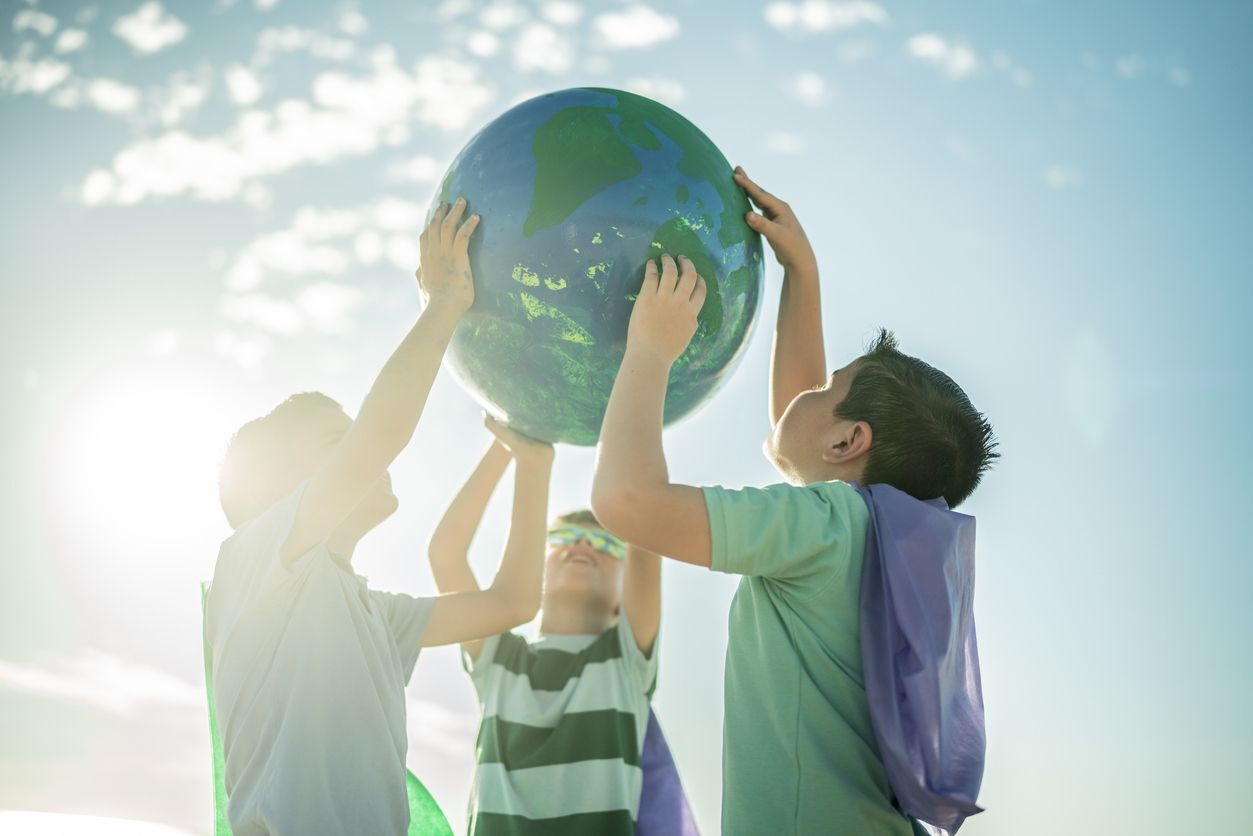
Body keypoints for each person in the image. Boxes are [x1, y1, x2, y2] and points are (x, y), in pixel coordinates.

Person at [591, 167, 997, 835]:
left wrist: (649, 349)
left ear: (848, 441)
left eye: (831, 383)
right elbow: (798, 429)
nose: (810, 389)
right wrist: (799, 273)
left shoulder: (830, 525)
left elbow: (626, 499)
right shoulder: (873, 537)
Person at [205, 199, 547, 836]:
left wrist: (531, 461)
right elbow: (380, 438)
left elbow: (513, 601)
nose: (361, 447)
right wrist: (443, 304)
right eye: (339, 441)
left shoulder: (377, 616)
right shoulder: (252, 563)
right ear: (277, 492)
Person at [428, 436, 682, 835]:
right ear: (537, 566)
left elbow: (640, 505)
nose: (582, 543)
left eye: (604, 542)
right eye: (563, 539)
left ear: (624, 588)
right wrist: (510, 445)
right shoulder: (497, 656)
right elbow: (446, 553)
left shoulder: (625, 659)